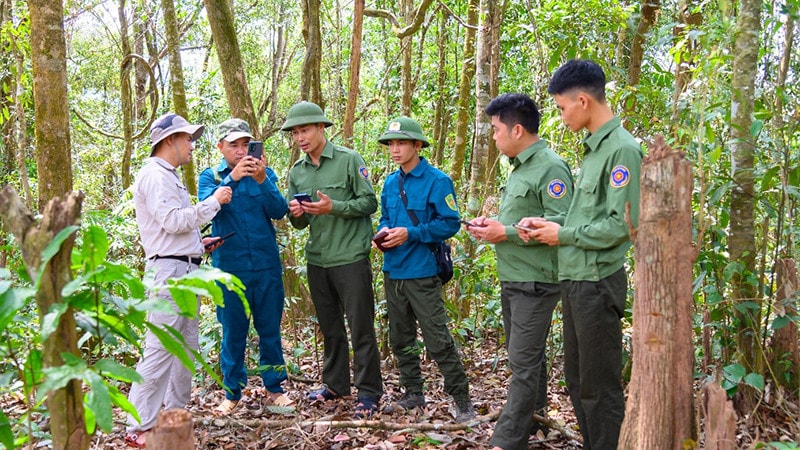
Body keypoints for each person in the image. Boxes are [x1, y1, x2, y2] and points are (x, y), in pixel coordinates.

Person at [517, 59, 642, 450]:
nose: (560, 116)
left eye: (561, 107)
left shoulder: (622, 151)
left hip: (597, 282)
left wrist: (563, 233)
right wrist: (548, 225)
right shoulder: (593, 151)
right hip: (575, 280)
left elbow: (622, 225)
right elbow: (585, 215)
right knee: (576, 378)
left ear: (583, 101)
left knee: (599, 387)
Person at [466, 94, 573, 449]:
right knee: (529, 359)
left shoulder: (550, 167)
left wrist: (506, 232)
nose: (493, 137)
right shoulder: (519, 168)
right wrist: (495, 226)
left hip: (537, 280)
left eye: (496, 130)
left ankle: (507, 440)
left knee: (522, 364)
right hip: (514, 275)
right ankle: (534, 419)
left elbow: (562, 223)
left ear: (516, 129)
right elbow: (524, 219)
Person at [125, 113, 233, 448]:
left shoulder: (169, 176)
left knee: (185, 347)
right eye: (187, 138)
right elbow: (172, 221)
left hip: (185, 268)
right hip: (169, 273)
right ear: (170, 140)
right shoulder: (154, 175)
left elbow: (173, 230)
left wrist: (196, 244)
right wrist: (213, 203)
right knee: (160, 347)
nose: (192, 145)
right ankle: (138, 425)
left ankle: (172, 417)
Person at [283, 101, 383, 419]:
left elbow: (369, 202)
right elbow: (299, 224)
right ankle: (335, 384)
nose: (301, 137)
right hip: (318, 260)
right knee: (330, 327)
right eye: (296, 132)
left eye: (306, 130)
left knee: (360, 326)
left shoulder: (349, 160)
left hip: (350, 257)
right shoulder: (297, 172)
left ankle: (368, 392)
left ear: (321, 128)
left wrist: (334, 207)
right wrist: (296, 213)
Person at [374, 116, 476, 423]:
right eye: (391, 143)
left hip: (422, 272)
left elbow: (450, 223)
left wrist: (411, 233)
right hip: (393, 271)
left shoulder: (437, 180)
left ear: (418, 145)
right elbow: (384, 218)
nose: (395, 149)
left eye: (402, 143)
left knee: (438, 339)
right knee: (400, 338)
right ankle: (413, 394)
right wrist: (381, 235)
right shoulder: (391, 182)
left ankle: (461, 400)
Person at [197, 119, 292, 415]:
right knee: (233, 331)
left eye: (245, 145)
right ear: (221, 147)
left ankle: (274, 388)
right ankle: (232, 392)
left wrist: (263, 180)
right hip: (229, 269)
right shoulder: (210, 177)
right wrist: (233, 179)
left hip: (266, 266)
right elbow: (206, 211)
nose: (240, 151)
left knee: (270, 329)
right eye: (233, 145)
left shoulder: (266, 174)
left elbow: (279, 211)